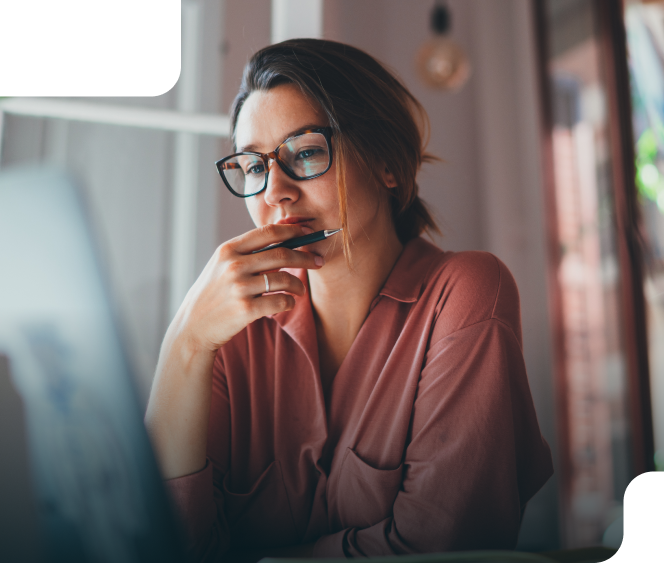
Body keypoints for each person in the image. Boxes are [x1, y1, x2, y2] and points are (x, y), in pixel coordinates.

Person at [144, 38, 553, 562]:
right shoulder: (230, 331)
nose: (275, 192)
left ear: (386, 163)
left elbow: (438, 548)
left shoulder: (465, 293)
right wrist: (185, 342)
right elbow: (164, 546)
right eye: (252, 167)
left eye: (307, 152)